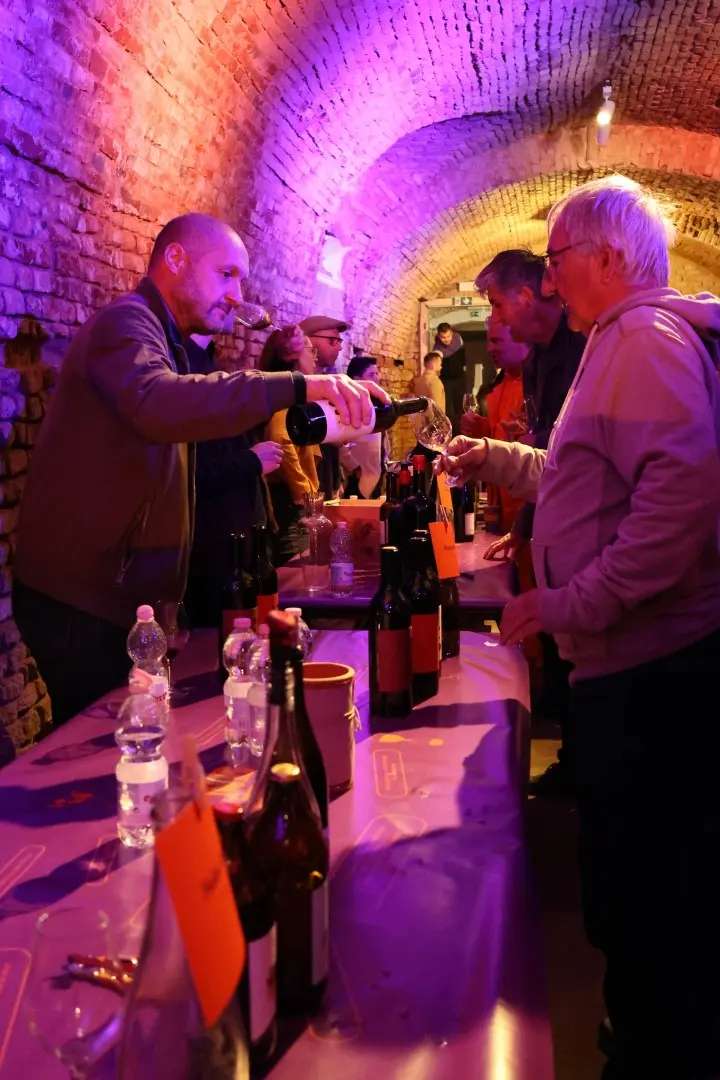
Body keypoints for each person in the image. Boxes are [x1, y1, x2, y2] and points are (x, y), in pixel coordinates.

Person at [439, 175, 720, 1080]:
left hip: (649, 673)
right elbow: (581, 474)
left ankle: (658, 1052)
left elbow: (679, 507)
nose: (549, 280)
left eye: (557, 260)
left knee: (647, 891)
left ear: (607, 257)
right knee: (632, 886)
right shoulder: (619, 338)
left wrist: (569, 602)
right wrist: (499, 458)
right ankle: (643, 1031)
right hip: (632, 668)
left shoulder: (643, 340)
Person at [13, 213, 387, 725]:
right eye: (226, 274)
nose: (236, 296)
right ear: (174, 259)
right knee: (104, 747)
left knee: (137, 738)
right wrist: (298, 385)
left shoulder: (170, 344)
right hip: (83, 598)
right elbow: (157, 402)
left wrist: (171, 603)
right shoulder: (125, 323)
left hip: (119, 596)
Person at [475, 247, 586, 797]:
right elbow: (549, 456)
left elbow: (571, 464)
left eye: (497, 306)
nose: (495, 321)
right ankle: (572, 758)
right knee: (564, 657)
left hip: (588, 537)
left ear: (525, 296)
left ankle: (584, 769)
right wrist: (522, 530)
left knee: (583, 657)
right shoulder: (542, 357)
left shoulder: (586, 344)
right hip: (554, 530)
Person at [183, 329, 283, 628]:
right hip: (210, 550)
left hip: (237, 541)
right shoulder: (182, 370)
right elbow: (186, 475)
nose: (234, 304)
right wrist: (250, 461)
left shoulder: (205, 362)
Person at [461, 315, 529, 532]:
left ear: (519, 337)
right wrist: (481, 430)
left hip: (527, 514)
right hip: (500, 509)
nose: (489, 348)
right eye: (489, 341)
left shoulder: (538, 386)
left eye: (497, 341)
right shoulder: (499, 385)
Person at [260, 327, 322, 564]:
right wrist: (302, 492)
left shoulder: (284, 394)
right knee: (297, 574)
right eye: (311, 350)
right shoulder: (284, 397)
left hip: (290, 502)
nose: (315, 357)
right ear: (293, 355)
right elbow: (280, 438)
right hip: (290, 505)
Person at [300, 315, 349, 499]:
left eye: (339, 341)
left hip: (328, 474)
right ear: (307, 341)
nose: (339, 347)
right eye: (332, 340)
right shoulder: (295, 388)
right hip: (306, 484)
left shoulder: (330, 382)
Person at [340, 356, 388, 498]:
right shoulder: (346, 406)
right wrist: (354, 466)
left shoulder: (376, 402)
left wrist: (385, 459)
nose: (377, 379)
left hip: (376, 472)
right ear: (357, 379)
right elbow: (338, 441)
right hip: (356, 477)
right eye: (371, 375)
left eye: (377, 374)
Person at [433, 322, 466, 434]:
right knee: (449, 411)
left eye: (448, 336)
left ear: (452, 333)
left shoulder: (458, 340)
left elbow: (464, 358)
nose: (446, 340)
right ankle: (452, 435)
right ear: (439, 336)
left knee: (460, 409)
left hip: (460, 379)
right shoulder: (437, 349)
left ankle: (461, 435)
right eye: (443, 337)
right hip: (446, 381)